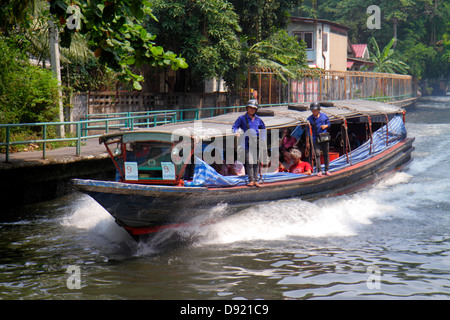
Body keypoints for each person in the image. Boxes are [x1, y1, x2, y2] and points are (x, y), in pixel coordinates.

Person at [232, 99, 266, 187]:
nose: (251, 110)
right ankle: (251, 180)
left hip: (256, 143)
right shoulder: (242, 118)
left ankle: (256, 180)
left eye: (253, 109)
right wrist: (236, 132)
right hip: (246, 143)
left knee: (256, 162)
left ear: (256, 110)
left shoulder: (258, 119)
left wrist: (262, 138)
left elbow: (263, 129)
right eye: (250, 108)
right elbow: (234, 127)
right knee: (249, 162)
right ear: (247, 108)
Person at [306, 102, 331, 177]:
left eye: (315, 110)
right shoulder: (309, 119)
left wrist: (325, 126)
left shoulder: (324, 116)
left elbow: (329, 124)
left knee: (326, 153)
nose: (314, 112)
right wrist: (307, 142)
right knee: (317, 154)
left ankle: (327, 169)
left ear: (318, 110)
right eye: (312, 110)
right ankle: (319, 170)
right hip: (315, 138)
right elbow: (307, 131)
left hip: (324, 137)